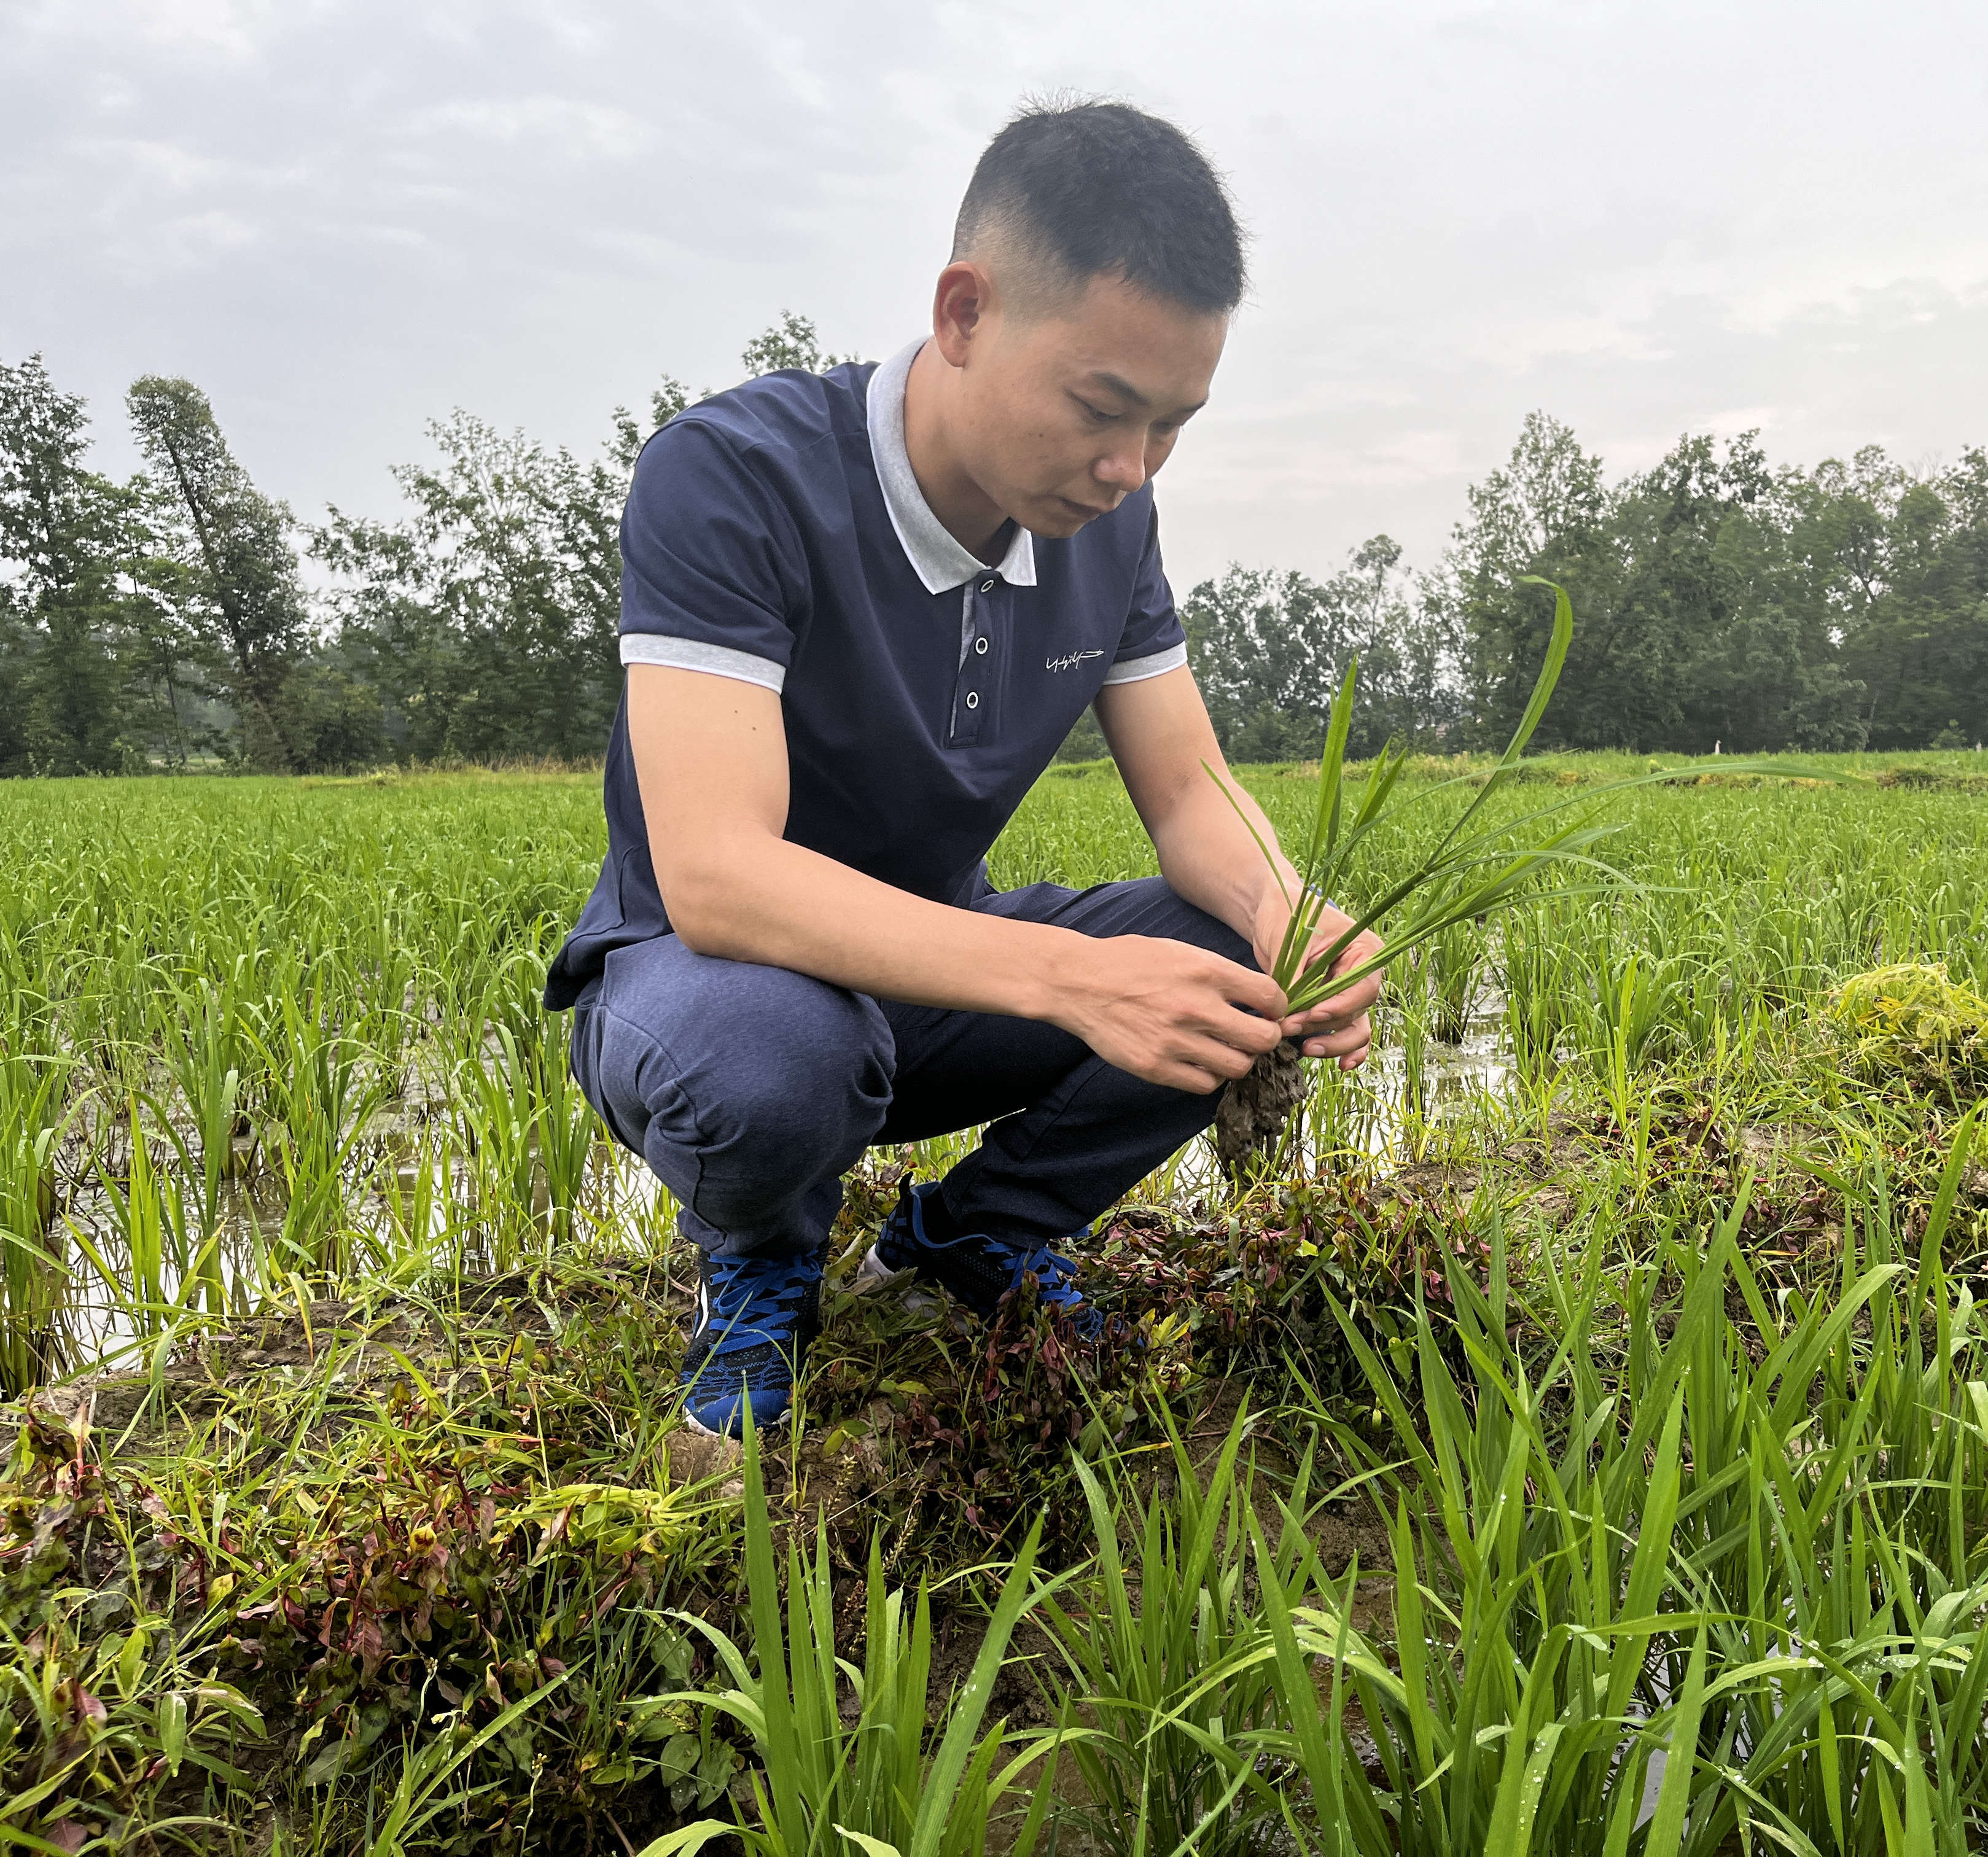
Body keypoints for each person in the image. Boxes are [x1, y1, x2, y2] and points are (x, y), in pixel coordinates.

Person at [545, 101, 1384, 1437]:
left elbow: (1188, 793)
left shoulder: (1113, 524)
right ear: (963, 313)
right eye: (1103, 409)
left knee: (1235, 952)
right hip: (704, 988)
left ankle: (963, 1243)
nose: (1130, 468)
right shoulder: (733, 479)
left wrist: (1288, 906)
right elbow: (716, 876)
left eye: (1174, 426)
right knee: (774, 1060)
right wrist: (1074, 976)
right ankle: (761, 1263)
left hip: (941, 975)